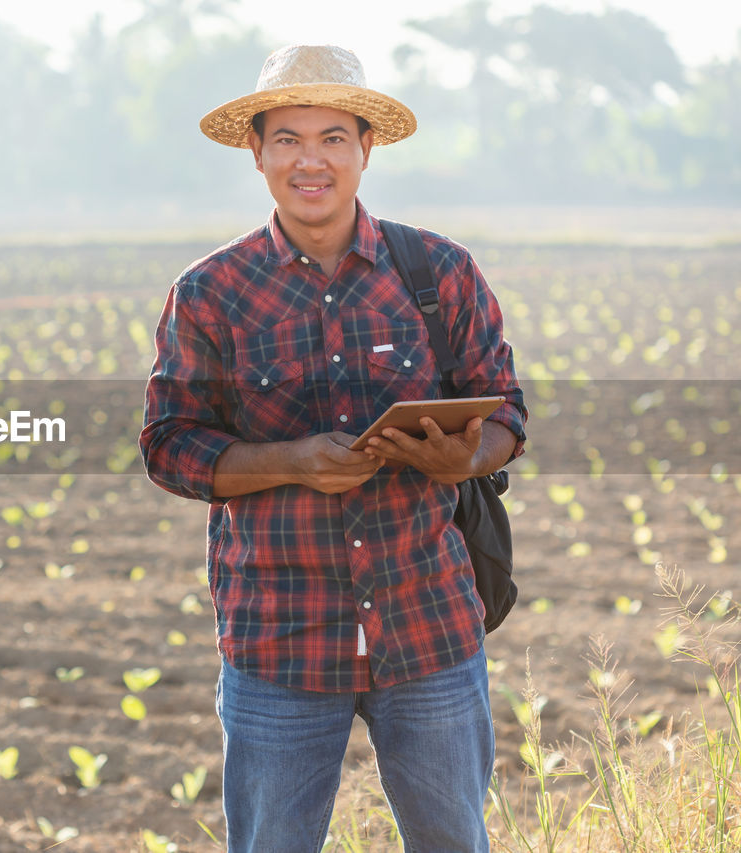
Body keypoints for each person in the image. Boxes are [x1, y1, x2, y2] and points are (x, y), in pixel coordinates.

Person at [138, 44, 527, 852]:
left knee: (455, 841)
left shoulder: (439, 272)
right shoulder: (210, 292)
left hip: (427, 627)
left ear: (364, 149)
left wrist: (465, 457)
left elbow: (508, 415)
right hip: (278, 636)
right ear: (256, 152)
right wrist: (292, 459)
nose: (309, 160)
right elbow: (170, 445)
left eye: (331, 139)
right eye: (287, 139)